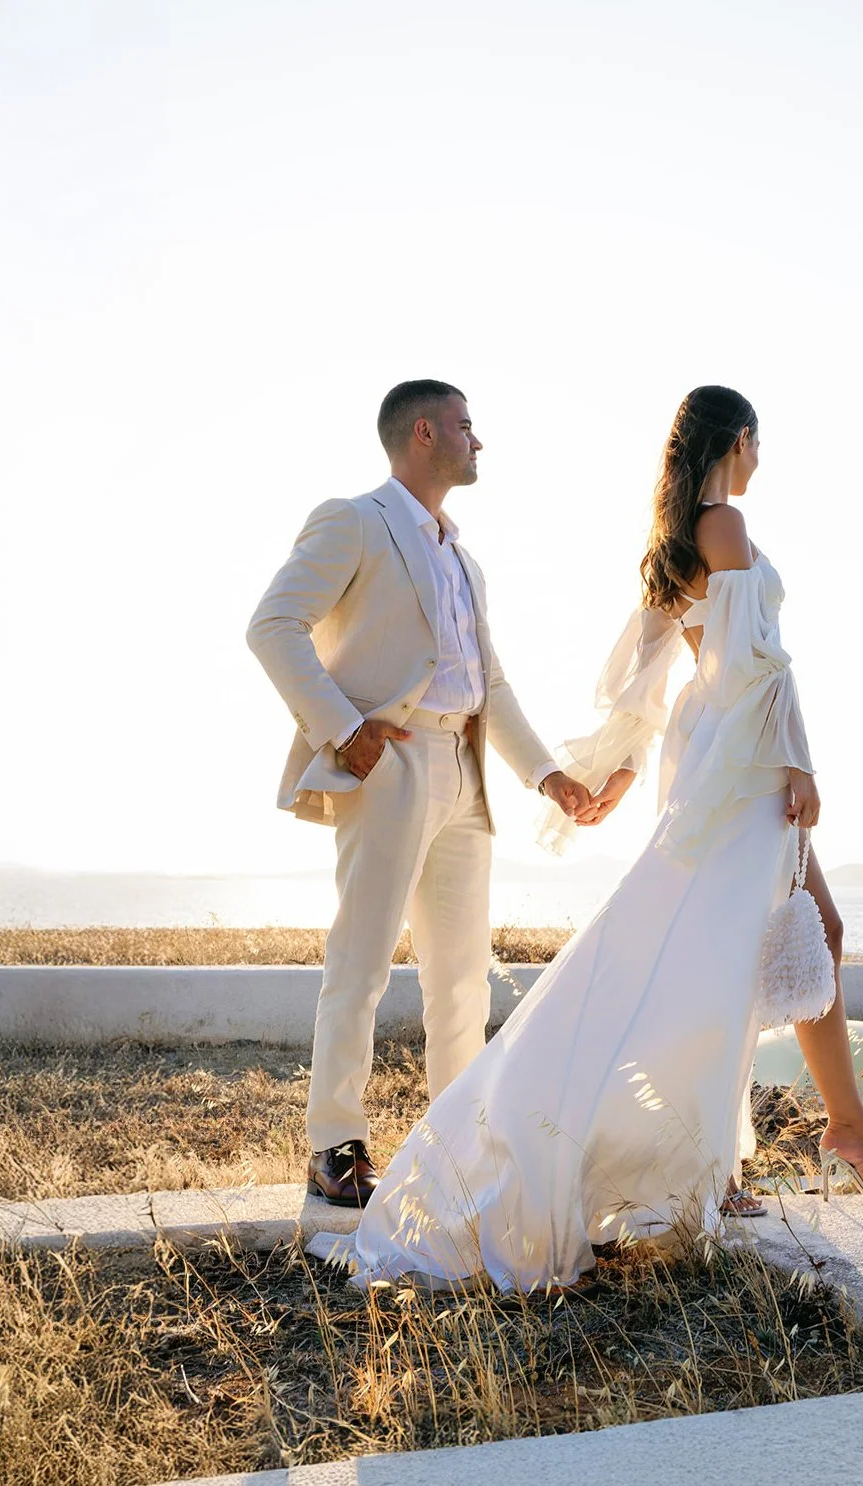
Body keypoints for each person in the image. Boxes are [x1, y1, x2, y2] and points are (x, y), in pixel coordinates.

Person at [309, 384, 863, 1293]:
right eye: (759, 444)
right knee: (763, 939)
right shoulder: (727, 527)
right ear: (740, 441)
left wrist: (618, 772)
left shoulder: (683, 539)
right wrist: (800, 766)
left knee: (760, 940)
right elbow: (756, 670)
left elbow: (657, 680)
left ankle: (781, 1146)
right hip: (744, 761)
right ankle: (802, 1143)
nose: (759, 460)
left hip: (718, 753)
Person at [247, 380, 590, 1208]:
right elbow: (272, 626)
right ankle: (334, 1146)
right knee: (361, 963)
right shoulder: (355, 520)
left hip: (464, 776)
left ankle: (455, 1145)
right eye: (469, 426)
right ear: (426, 433)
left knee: (462, 977)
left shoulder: (465, 561)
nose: (481, 441)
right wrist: (344, 728)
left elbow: (490, 684)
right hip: (388, 765)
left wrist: (545, 775)